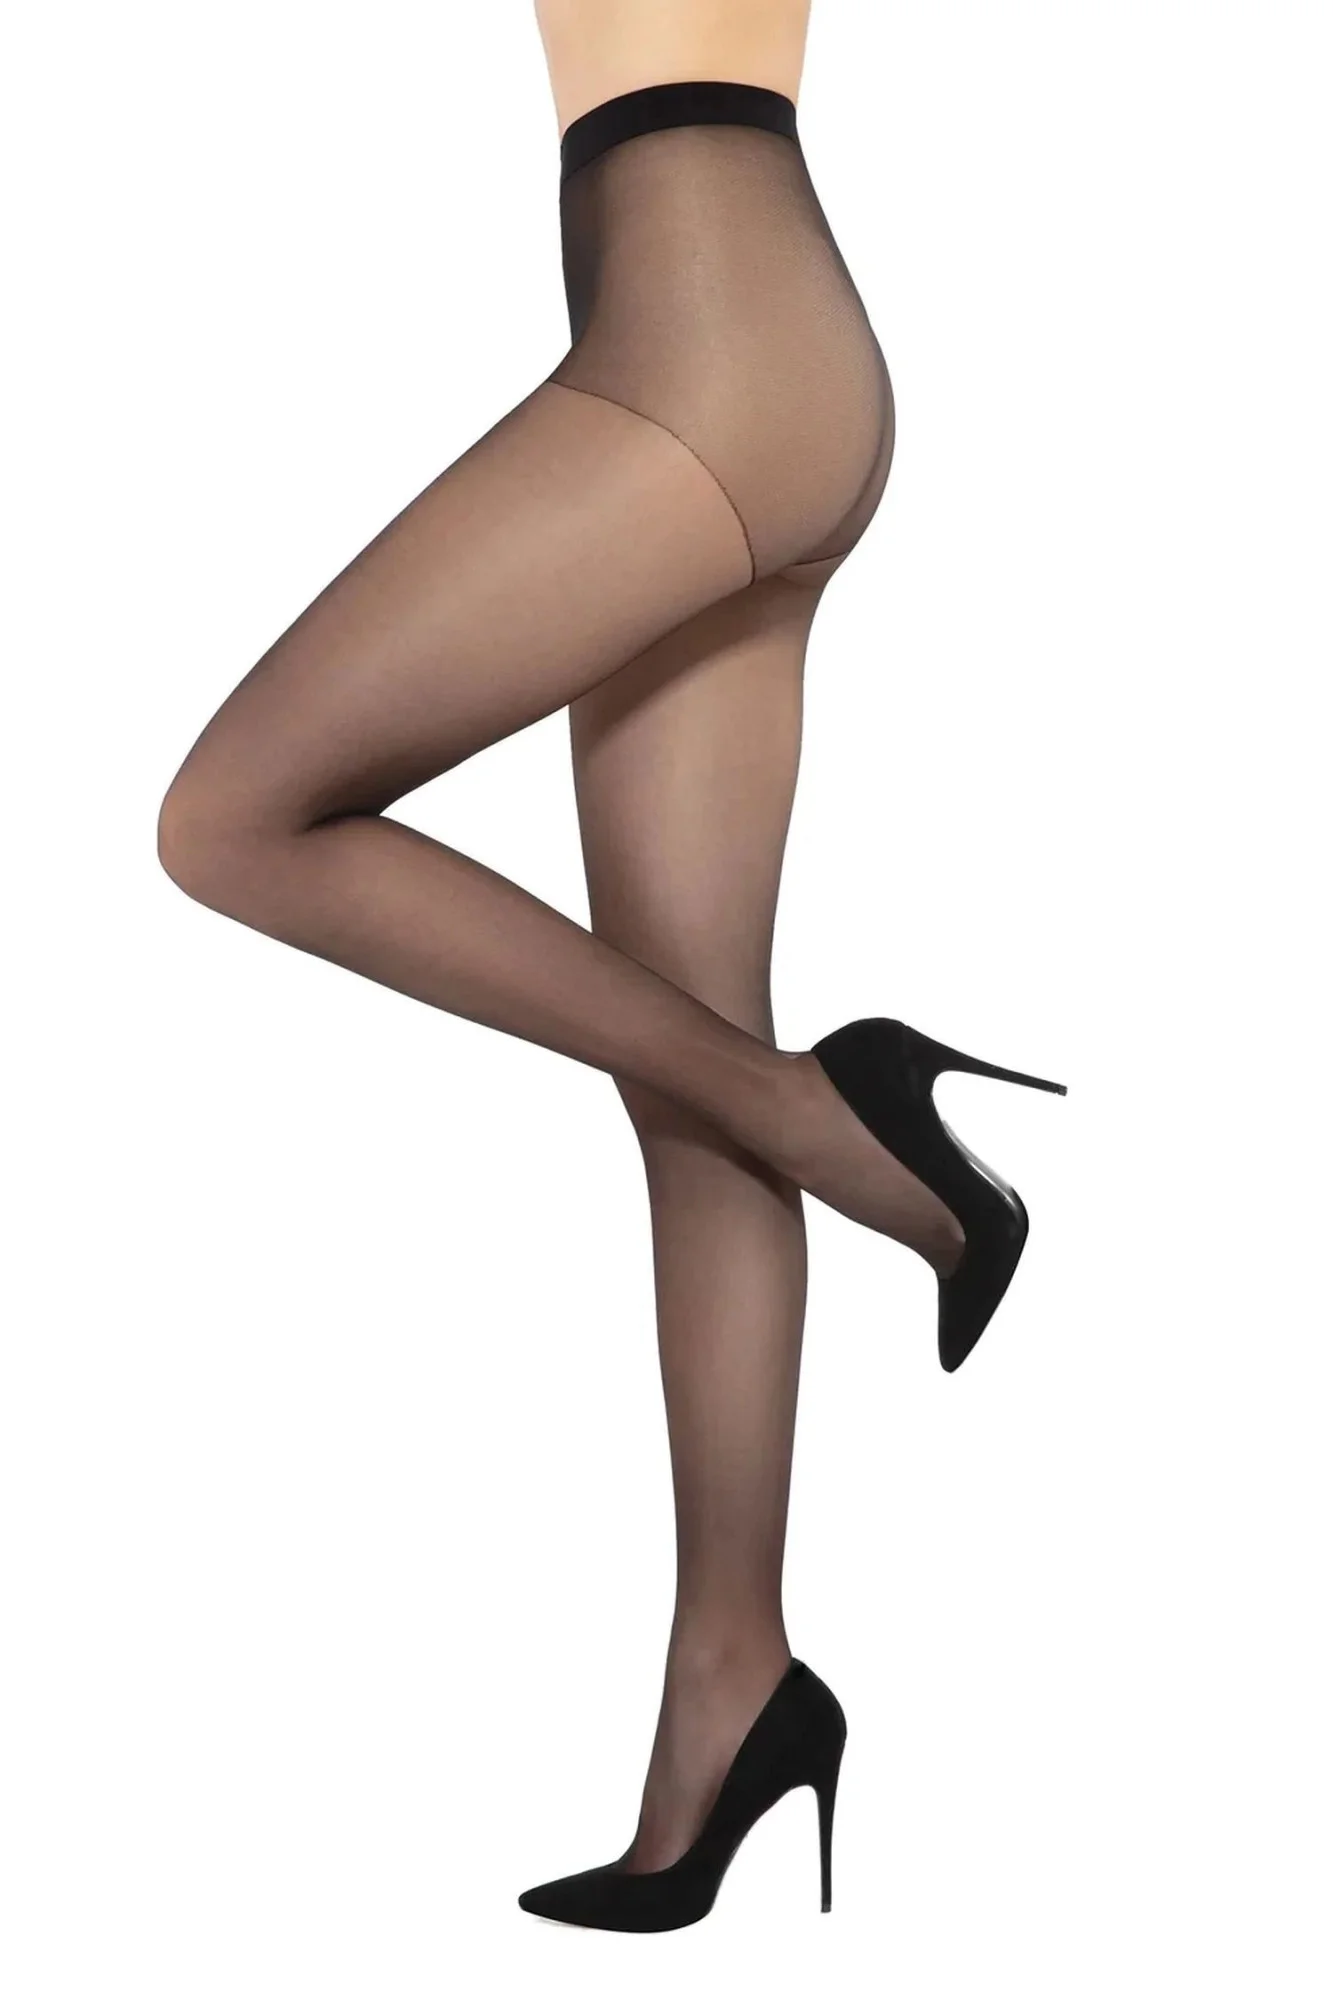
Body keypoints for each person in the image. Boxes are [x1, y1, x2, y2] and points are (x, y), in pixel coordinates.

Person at [157, 0, 1064, 1932]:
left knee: (232, 820)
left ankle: (837, 1118)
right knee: (689, 1063)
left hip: (705, 366)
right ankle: (734, 1677)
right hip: (729, 343)